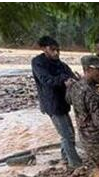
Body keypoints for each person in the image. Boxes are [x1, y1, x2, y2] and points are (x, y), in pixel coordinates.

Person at [31, 36, 82, 168]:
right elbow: (46, 80)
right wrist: (64, 80)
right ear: (44, 49)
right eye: (52, 50)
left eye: (58, 50)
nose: (56, 53)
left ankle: (65, 159)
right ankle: (75, 164)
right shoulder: (38, 62)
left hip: (63, 102)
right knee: (67, 135)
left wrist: (77, 80)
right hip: (51, 103)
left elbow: (72, 76)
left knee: (68, 133)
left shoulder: (61, 64)